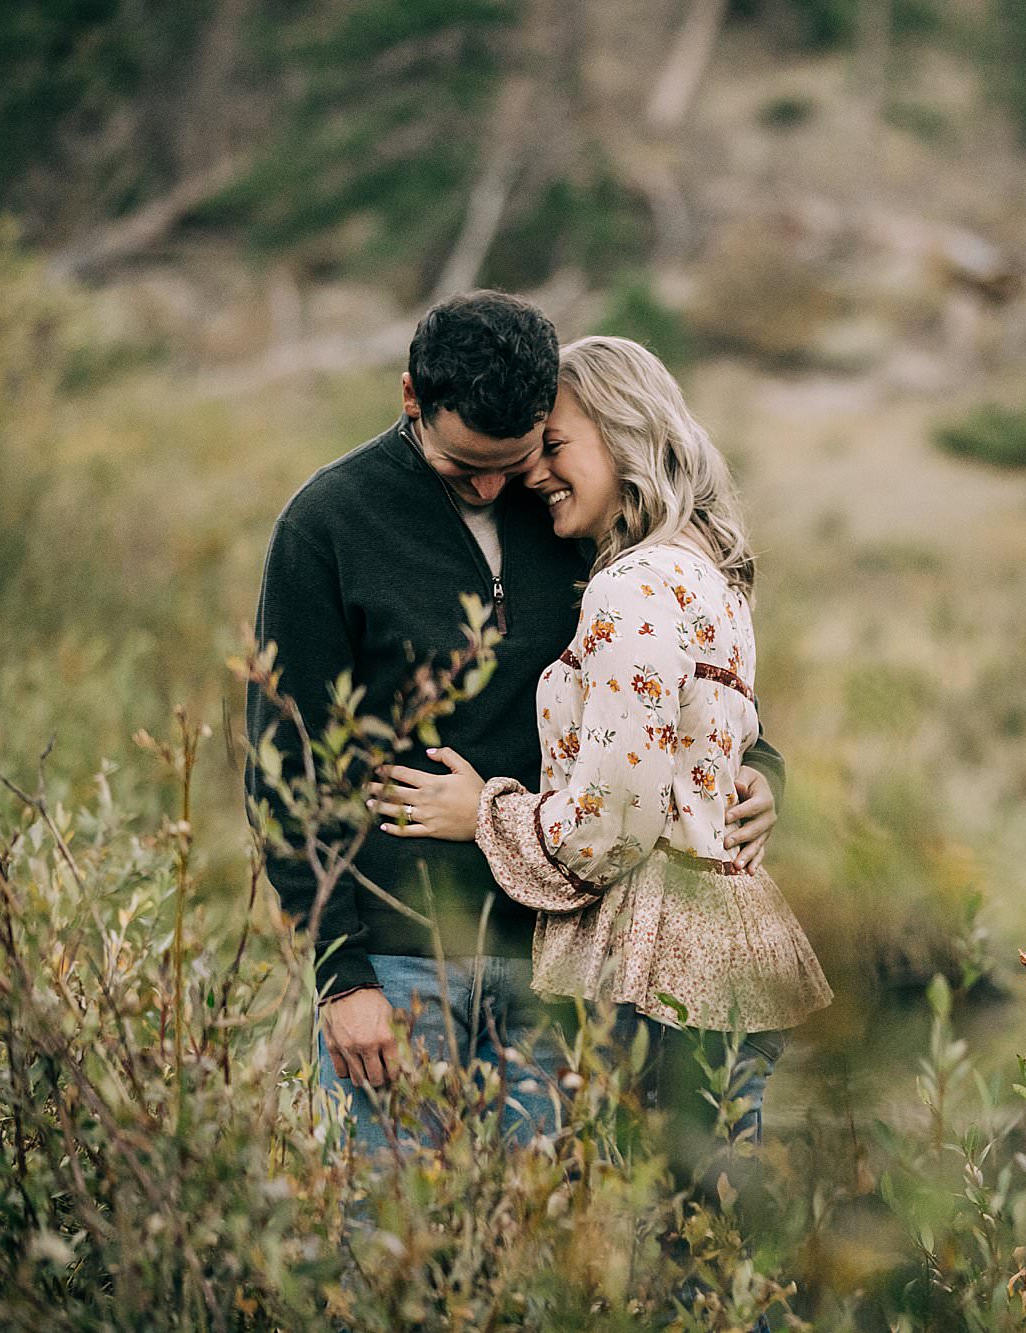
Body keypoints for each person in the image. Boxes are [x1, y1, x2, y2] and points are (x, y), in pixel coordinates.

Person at [245, 293, 784, 1150]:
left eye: (522, 455)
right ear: (412, 398)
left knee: (547, 1261)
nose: (501, 486)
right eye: (466, 467)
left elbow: (693, 679)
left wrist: (763, 775)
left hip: (563, 965)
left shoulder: (577, 503)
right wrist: (340, 976)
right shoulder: (329, 523)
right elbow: (286, 767)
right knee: (391, 1254)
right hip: (400, 965)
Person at [363, 335, 832, 1153]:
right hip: (723, 944)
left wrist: (486, 810)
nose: (533, 471)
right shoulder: (706, 577)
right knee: (710, 1222)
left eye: (554, 445)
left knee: (626, 1236)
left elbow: (613, 823)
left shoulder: (629, 588)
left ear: (624, 433)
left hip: (652, 959)